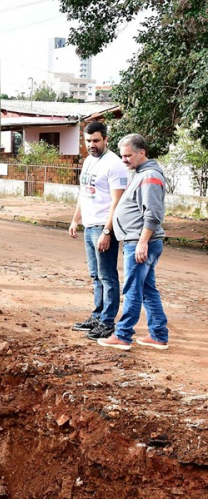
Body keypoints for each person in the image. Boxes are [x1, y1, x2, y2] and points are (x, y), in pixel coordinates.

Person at [98, 134, 169, 351]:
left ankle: (123, 335)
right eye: (122, 156)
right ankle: (158, 334)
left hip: (140, 242)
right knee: (147, 289)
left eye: (128, 155)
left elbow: (153, 214)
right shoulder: (140, 173)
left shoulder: (149, 176)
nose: (124, 160)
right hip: (138, 241)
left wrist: (142, 242)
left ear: (142, 152)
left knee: (132, 290)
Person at [68, 121, 128, 340]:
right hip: (89, 226)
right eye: (88, 141)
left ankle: (107, 322)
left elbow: (117, 201)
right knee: (95, 275)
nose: (91, 145)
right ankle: (97, 316)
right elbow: (84, 193)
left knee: (107, 276)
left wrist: (107, 231)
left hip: (103, 227)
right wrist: (75, 219)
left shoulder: (114, 164)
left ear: (105, 139)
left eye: (95, 140)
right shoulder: (88, 161)